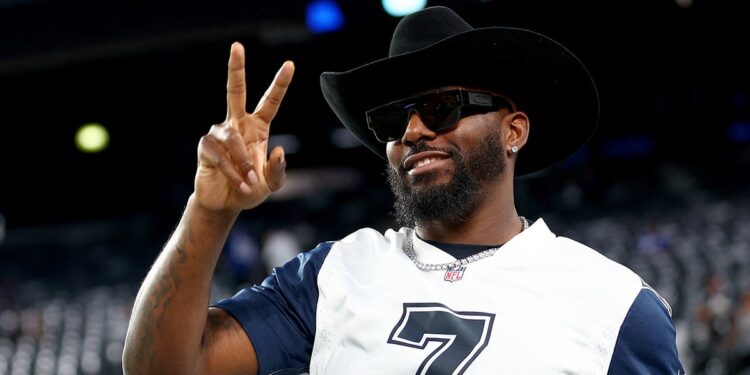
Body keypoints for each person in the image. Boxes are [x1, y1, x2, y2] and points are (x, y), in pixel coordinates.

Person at [122, 6, 684, 374]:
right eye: (393, 120)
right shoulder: (331, 275)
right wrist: (208, 211)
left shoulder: (614, 306)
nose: (413, 132)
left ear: (513, 130)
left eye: (441, 108)